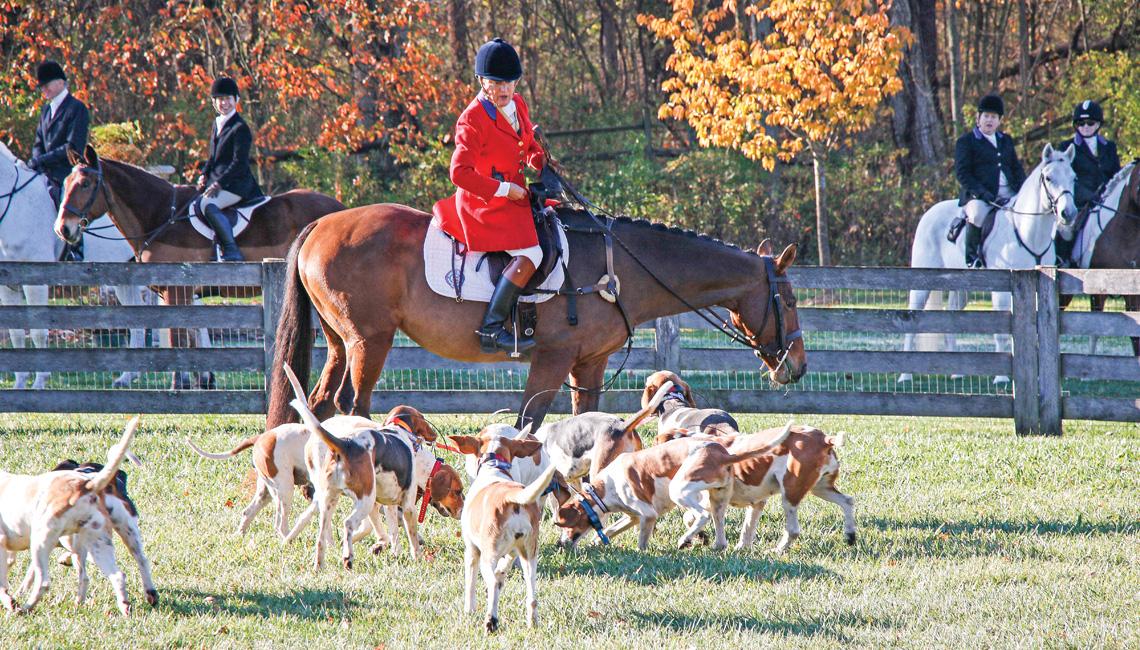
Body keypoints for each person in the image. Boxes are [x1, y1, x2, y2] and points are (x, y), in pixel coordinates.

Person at [435, 38, 547, 354]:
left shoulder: (518, 105)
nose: (505, 88)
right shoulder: (472, 119)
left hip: (515, 195)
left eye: (510, 81)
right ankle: (491, 328)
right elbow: (459, 173)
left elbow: (525, 146)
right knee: (532, 254)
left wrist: (538, 160)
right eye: (497, 82)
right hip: (483, 203)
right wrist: (502, 189)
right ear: (483, 82)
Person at [954, 94, 1027, 268]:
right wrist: (981, 193)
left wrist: (1022, 190)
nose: (989, 120)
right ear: (978, 118)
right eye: (986, 116)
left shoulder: (1005, 140)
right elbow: (962, 173)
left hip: (1009, 193)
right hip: (978, 196)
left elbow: (1016, 168)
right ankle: (972, 258)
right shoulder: (966, 141)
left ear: (1000, 120)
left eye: (993, 117)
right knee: (977, 213)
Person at [195, 76, 261, 262]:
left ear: (236, 100)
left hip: (236, 184)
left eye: (228, 99)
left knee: (207, 205)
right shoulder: (217, 124)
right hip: (218, 182)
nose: (224, 103)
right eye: (220, 99)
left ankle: (232, 250)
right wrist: (204, 174)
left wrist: (218, 184)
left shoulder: (240, 128)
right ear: (214, 102)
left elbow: (239, 163)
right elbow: (212, 157)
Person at [29, 60, 89, 261]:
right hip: (45, 172)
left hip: (68, 171)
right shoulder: (46, 111)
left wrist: (42, 160)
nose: (44, 89)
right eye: (42, 86)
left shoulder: (76, 108)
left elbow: (71, 148)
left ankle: (75, 250)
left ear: (61, 82)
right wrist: (35, 160)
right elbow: (39, 141)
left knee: (69, 202)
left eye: (47, 84)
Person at [1054, 100, 1121, 267]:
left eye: (1090, 123)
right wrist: (1089, 196)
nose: (1085, 127)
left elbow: (1116, 175)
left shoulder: (1109, 147)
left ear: (1098, 124)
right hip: (1081, 201)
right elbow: (1065, 179)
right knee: (1067, 228)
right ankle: (1064, 259)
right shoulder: (1067, 147)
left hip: (1108, 200)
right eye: (1080, 123)